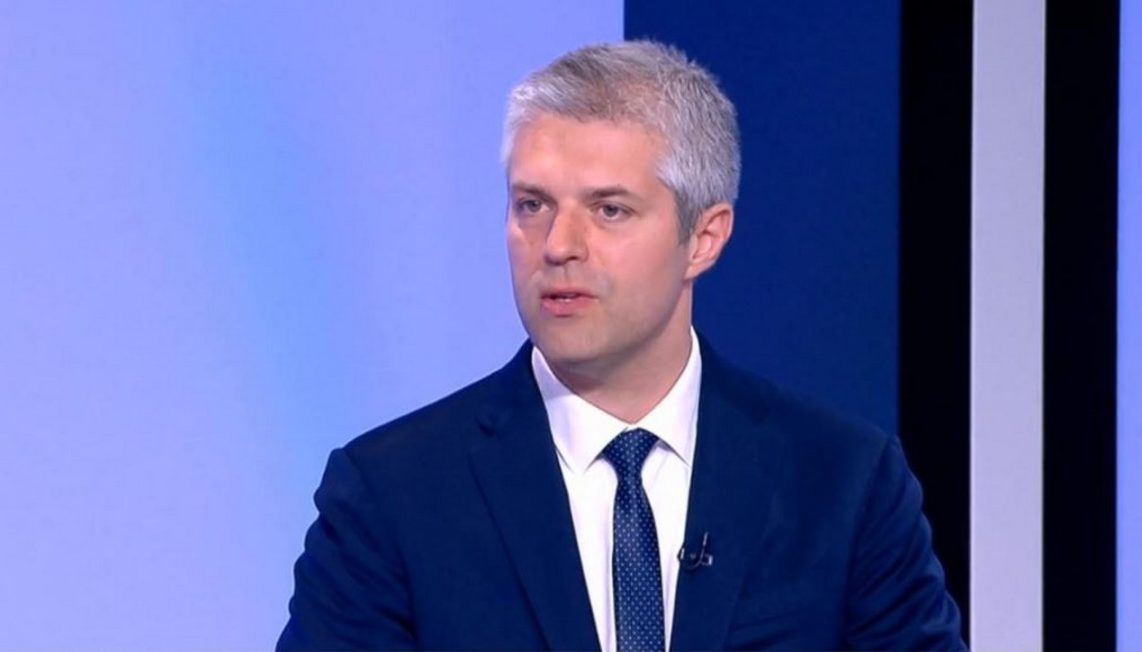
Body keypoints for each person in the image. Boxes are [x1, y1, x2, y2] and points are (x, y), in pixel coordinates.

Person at [277, 40, 965, 651]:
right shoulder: (392, 495)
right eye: (532, 205)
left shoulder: (842, 484)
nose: (558, 246)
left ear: (704, 238)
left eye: (609, 210)